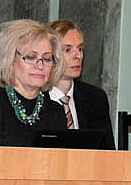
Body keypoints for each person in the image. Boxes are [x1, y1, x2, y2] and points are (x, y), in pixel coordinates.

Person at [0, 20, 67, 146]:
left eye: (47, 59)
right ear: (9, 59)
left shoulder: (55, 112)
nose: (40, 66)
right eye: (31, 57)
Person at [48, 20, 115, 149]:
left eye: (80, 49)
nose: (78, 56)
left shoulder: (95, 98)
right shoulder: (36, 98)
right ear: (49, 55)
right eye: (67, 50)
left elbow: (108, 153)